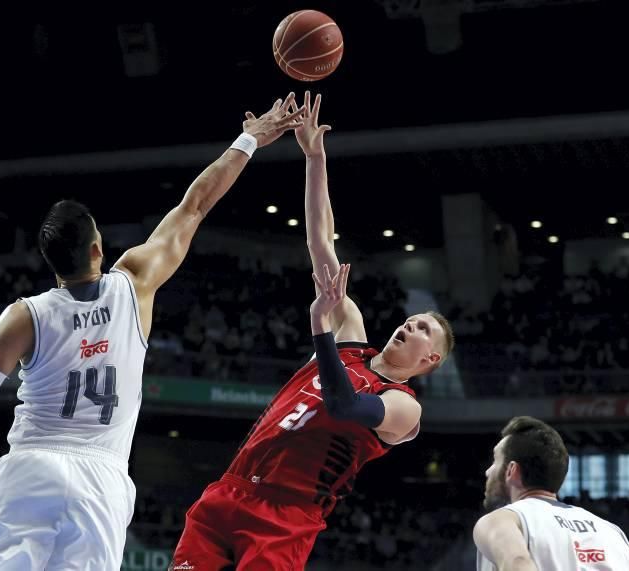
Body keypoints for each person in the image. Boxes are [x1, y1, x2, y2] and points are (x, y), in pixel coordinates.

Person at [0, 93, 305, 570]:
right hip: (101, 480)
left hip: (31, 469)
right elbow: (194, 206)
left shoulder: (24, 316)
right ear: (98, 248)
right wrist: (249, 139)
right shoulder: (136, 283)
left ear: (50, 262)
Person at [169, 92, 455, 570]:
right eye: (412, 319)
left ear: (431, 360)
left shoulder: (404, 409)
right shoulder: (353, 335)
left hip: (286, 516)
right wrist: (314, 157)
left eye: (424, 328)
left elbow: (344, 405)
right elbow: (320, 240)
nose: (411, 324)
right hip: (229, 490)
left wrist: (321, 331)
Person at [474, 416, 629, 571]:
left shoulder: (502, 521)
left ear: (512, 470)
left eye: (495, 460)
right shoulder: (613, 533)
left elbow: (518, 563)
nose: (488, 471)